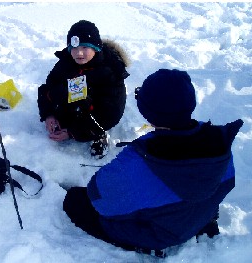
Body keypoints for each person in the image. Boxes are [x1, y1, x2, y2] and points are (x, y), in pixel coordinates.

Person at [63, 69, 241, 255]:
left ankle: (144, 246)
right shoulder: (219, 142)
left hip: (161, 234)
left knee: (75, 201)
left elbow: (99, 197)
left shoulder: (144, 160)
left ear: (148, 111)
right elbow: (226, 183)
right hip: (199, 216)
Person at [37, 20, 129, 158]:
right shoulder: (66, 63)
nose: (79, 53)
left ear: (96, 48)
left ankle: (98, 135)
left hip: (95, 118)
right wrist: (49, 114)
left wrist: (72, 132)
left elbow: (111, 113)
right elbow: (47, 89)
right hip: (72, 110)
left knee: (95, 111)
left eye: (85, 47)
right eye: (74, 48)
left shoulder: (110, 71)